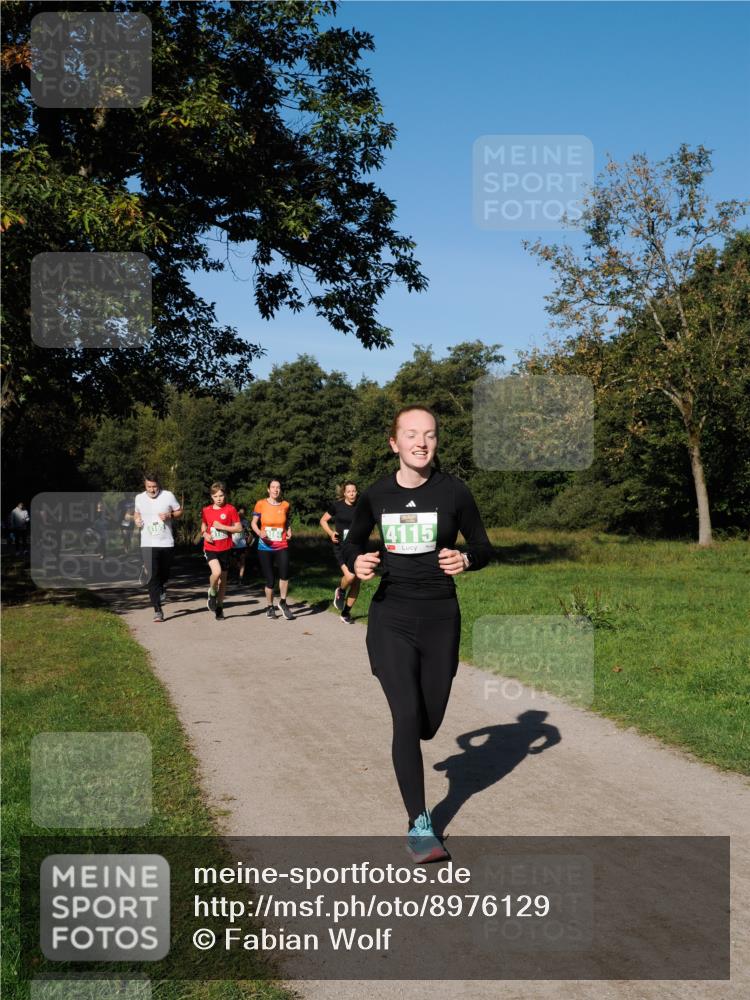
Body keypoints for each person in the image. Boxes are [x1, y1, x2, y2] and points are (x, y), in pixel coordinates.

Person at [343, 406, 491, 864]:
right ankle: (419, 824)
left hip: (442, 615)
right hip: (392, 615)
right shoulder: (376, 494)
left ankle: (421, 731)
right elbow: (351, 541)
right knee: (406, 717)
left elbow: (483, 546)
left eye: (429, 435)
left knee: (428, 721)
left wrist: (467, 560)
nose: (421, 442)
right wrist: (356, 562)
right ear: (394, 443)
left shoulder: (454, 491)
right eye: (411, 434)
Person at [134, 473, 182, 623]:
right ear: (145, 485)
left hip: (166, 542)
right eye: (149, 487)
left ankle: (162, 585)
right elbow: (137, 513)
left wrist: (170, 515)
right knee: (152, 576)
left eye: (154, 486)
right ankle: (157, 610)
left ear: (159, 485)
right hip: (148, 542)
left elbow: (179, 511)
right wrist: (137, 520)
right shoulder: (139, 498)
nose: (152, 490)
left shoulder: (168, 496)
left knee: (164, 573)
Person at [252, 478, 294, 620]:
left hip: (281, 544)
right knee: (270, 580)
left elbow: (286, 521)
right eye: (273, 487)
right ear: (268, 489)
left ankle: (283, 602)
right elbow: (253, 523)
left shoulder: (286, 505)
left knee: (285, 575)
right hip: (265, 546)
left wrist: (289, 530)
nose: (276, 489)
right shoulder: (261, 504)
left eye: (278, 487)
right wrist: (259, 533)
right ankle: (270, 607)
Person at [319, 481, 360, 624]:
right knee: (349, 577)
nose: (352, 493)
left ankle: (346, 613)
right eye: (349, 491)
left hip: (357, 547)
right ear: (344, 493)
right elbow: (323, 520)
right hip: (341, 546)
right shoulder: (337, 506)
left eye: (354, 491)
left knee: (356, 582)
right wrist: (331, 533)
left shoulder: (361, 507)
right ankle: (341, 591)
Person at [201, 482, 242, 621]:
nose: (219, 498)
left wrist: (222, 526)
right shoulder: (206, 510)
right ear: (211, 497)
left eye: (221, 495)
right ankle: (212, 592)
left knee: (223, 581)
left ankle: (219, 608)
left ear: (225, 495)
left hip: (225, 548)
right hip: (210, 547)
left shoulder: (231, 509)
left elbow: (239, 528)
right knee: (216, 573)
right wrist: (205, 534)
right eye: (215, 496)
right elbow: (204, 525)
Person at [232, 504, 253, 585]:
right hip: (233, 545)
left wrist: (249, 541)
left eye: (243, 513)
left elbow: (249, 533)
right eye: (240, 513)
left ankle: (240, 579)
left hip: (243, 545)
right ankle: (235, 576)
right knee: (234, 563)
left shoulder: (246, 522)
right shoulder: (232, 521)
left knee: (242, 562)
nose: (241, 515)